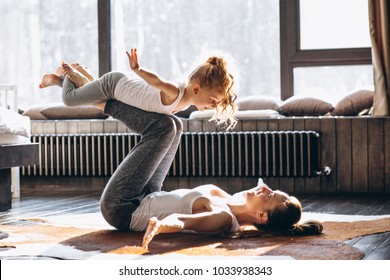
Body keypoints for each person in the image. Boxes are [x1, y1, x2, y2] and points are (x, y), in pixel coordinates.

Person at [95, 98, 322, 251]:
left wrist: (160, 226)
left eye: (271, 195)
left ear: (263, 216)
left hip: (124, 208)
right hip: (148, 194)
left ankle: (102, 100)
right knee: (175, 125)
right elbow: (253, 200)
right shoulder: (232, 201)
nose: (266, 188)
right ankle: (97, 94)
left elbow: (183, 221)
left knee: (163, 127)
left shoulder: (223, 219)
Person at [39, 48, 238, 130]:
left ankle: (61, 79)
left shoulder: (184, 102)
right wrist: (138, 69)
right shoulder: (176, 92)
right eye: (212, 100)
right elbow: (157, 81)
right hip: (113, 85)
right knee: (69, 99)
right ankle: (68, 73)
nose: (212, 106)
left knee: (90, 95)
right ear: (196, 89)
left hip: (116, 89)